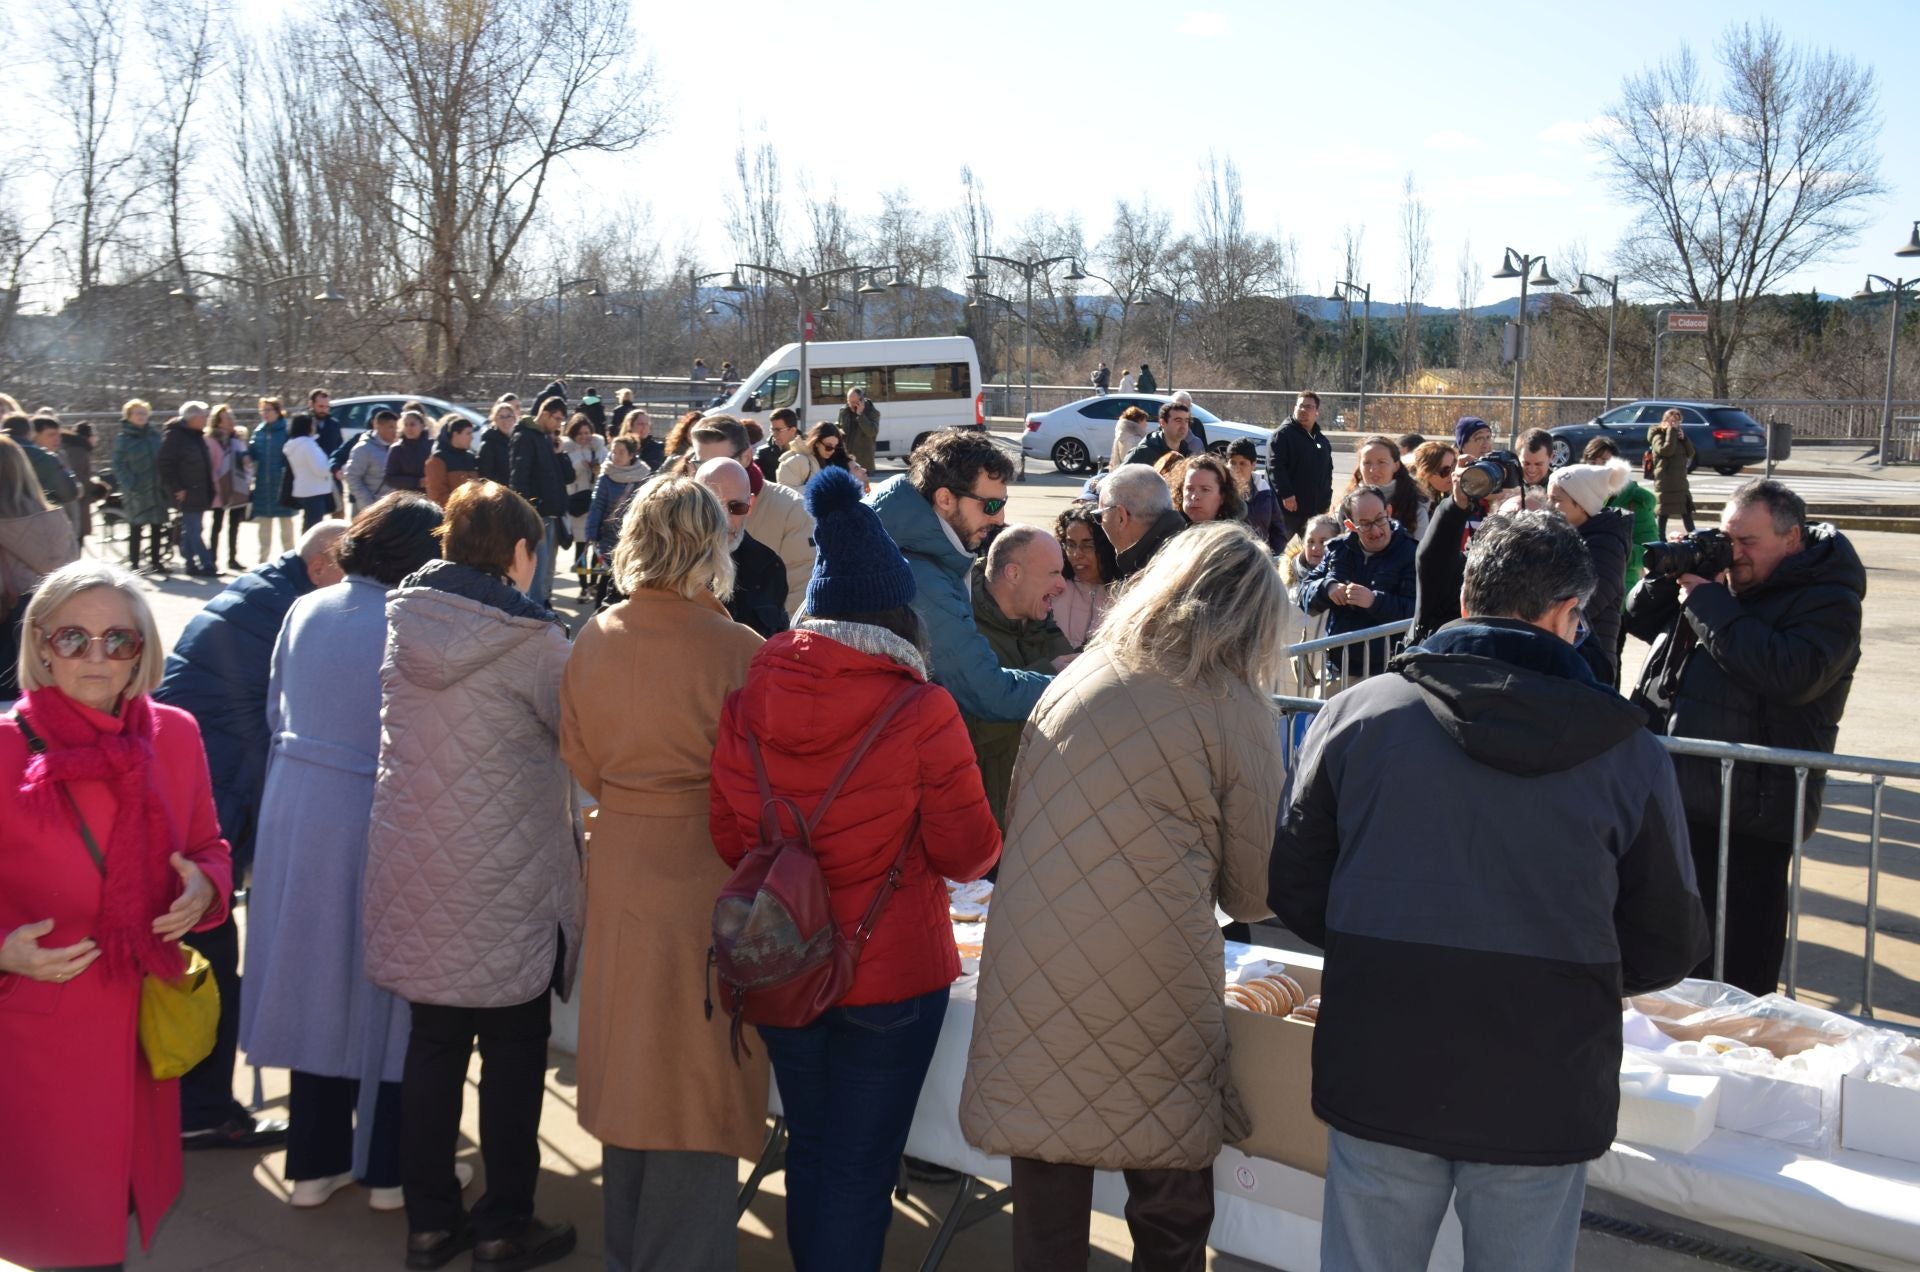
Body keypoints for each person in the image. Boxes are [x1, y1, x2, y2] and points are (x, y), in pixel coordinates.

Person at [1270, 511, 1710, 1272]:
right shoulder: (1628, 752)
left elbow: (1300, 889)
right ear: (1568, 617)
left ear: (1467, 601)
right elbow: (1665, 937)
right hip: (1542, 1068)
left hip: (1385, 1054)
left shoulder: (1359, 716)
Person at [962, 523, 1288, 1272]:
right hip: (1155, 977)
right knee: (1170, 1203)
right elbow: (1254, 887)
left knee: (1046, 1198)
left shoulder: (1083, 674)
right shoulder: (1231, 705)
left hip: (1032, 967)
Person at [708, 466, 1001, 1272]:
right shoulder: (919, 706)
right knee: (862, 1165)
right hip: (891, 975)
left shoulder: (752, 689)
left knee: (811, 1146)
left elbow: (733, 837)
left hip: (781, 954)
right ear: (900, 614)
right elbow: (971, 851)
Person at [363, 481, 579, 1270]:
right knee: (515, 1055)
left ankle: (429, 1222)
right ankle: (501, 1223)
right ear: (521, 554)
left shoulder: (404, 622)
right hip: (506, 875)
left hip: (415, 864)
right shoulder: (538, 642)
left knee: (432, 1047)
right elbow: (580, 739)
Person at [0, 561, 233, 1270]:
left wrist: (204, 891)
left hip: (142, 1034)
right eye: (73, 638)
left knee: (115, 1212)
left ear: (143, 650)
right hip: (40, 1039)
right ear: (40, 646)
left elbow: (209, 848)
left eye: (117, 640)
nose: (95, 657)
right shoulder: (5, 747)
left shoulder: (176, 733)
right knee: (67, 1239)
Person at [559, 476, 765, 1272]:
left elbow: (578, 754)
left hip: (618, 863)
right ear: (711, 545)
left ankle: (631, 1252)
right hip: (704, 870)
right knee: (693, 1085)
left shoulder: (596, 635)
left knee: (633, 1075)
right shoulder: (735, 647)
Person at [240, 496, 443, 1215]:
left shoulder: (307, 607)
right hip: (375, 811)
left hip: (298, 811)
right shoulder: (413, 623)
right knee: (387, 995)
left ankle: (313, 1162)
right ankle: (387, 1170)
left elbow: (276, 711)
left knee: (310, 982)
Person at [1626, 480, 1865, 996]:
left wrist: (1707, 597)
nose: (1734, 553)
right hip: (1676, 797)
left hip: (1752, 811)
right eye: (1729, 538)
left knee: (1735, 979)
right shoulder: (1723, 581)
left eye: (1748, 542)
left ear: (1793, 538)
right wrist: (1669, 577)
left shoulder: (1830, 600)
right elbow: (1638, 619)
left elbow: (1789, 674)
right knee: (1664, 961)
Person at [156, 519, 346, 1152]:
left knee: (194, 953)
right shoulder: (299, 613)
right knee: (208, 957)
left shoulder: (267, 592)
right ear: (322, 565)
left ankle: (181, 1100)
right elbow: (283, 736)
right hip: (205, 803)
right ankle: (201, 1108)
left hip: (193, 789)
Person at [871, 429, 1052, 724]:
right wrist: (1071, 682)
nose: (1000, 518)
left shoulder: (894, 539)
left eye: (1003, 503)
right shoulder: (920, 577)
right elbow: (988, 694)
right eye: (991, 505)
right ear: (945, 499)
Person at [961, 524, 1071, 829]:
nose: (1062, 585)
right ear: (1013, 573)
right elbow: (968, 723)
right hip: (985, 827)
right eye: (1053, 573)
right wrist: (1052, 673)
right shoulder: (962, 632)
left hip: (1041, 820)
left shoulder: (1039, 621)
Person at [690, 416, 817, 615]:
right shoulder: (680, 510)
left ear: (747, 457)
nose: (711, 474)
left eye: (722, 462)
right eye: (701, 464)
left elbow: (800, 597)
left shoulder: (791, 509)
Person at [1299, 486, 1418, 677]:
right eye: (1365, 524)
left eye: (1380, 519)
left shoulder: (1411, 553)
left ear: (1389, 512)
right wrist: (1327, 587)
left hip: (1387, 673)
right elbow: (1304, 591)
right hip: (1338, 669)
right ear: (1351, 525)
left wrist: (1374, 601)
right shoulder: (1338, 549)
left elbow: (1416, 611)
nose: (1376, 530)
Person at [1547, 460, 1634, 686]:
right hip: (1571, 656)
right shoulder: (1570, 538)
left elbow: (1587, 601)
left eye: (1556, 501)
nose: (1549, 507)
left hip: (1590, 665)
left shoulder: (1606, 545)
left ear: (1582, 505)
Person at [696, 457, 788, 638]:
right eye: (714, 507)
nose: (724, 520)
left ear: (750, 505)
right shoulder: (671, 560)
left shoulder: (769, 566)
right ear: (694, 504)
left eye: (736, 507)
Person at [510, 397, 570, 606]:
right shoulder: (524, 437)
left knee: (546, 570)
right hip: (536, 514)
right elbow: (519, 479)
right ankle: (533, 611)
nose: (558, 425)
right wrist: (529, 512)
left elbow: (563, 476)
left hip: (552, 513)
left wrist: (559, 453)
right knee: (536, 568)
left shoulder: (545, 438)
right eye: (557, 419)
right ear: (545, 414)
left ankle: (541, 606)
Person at [1582, 436, 1657, 589]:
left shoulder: (1635, 500)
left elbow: (1650, 551)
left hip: (1620, 584)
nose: (1597, 468)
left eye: (1604, 461)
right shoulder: (1575, 496)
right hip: (1582, 585)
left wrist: (1613, 551)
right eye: (1592, 461)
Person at [158, 400, 220, 576]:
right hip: (187, 491)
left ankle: (191, 563)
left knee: (192, 528)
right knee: (194, 529)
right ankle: (206, 564)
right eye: (203, 415)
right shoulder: (176, 436)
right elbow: (165, 463)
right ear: (192, 417)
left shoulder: (196, 435)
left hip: (198, 490)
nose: (206, 418)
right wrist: (177, 487)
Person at [1097, 463, 1186, 580]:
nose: (1100, 523)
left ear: (1121, 518)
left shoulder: (1154, 576)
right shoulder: (1190, 546)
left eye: (1099, 515)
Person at [1280, 515, 1342, 677]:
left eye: (1323, 542)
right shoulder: (1285, 578)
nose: (1316, 548)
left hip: (1322, 673)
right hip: (1284, 670)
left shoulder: (1342, 582)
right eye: (1310, 541)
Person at [1268, 390, 1334, 542]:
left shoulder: (1321, 440)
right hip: (1288, 510)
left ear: (1317, 412)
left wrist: (1326, 499)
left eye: (1309, 407)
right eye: (1301, 406)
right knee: (1275, 550)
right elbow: (1275, 466)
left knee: (1314, 553)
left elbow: (1327, 471)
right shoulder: (1283, 435)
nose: (1303, 410)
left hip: (1314, 510)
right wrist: (1286, 494)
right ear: (1294, 408)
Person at [585, 435, 651, 578]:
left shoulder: (643, 476)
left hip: (632, 535)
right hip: (608, 534)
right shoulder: (606, 475)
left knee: (626, 576)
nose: (616, 456)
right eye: (614, 452)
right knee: (606, 575)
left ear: (631, 455)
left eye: (621, 452)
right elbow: (597, 505)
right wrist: (592, 533)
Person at [1052, 503, 1117, 649]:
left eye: (1088, 546)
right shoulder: (1052, 590)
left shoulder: (1125, 594)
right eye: (1070, 544)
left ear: (1106, 547)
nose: (1076, 554)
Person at [249, 397, 301, 560]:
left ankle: (289, 559)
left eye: (268, 410)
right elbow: (254, 452)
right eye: (262, 410)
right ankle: (262, 560)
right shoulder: (259, 431)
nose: (265, 414)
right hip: (263, 486)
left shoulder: (287, 430)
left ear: (278, 412)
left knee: (286, 528)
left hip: (282, 485)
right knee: (263, 528)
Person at [206, 406, 253, 572]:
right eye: (226, 418)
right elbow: (210, 465)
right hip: (219, 487)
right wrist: (215, 485)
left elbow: (246, 460)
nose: (231, 421)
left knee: (235, 525)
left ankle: (232, 558)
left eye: (232, 417)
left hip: (237, 486)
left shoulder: (238, 440)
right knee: (217, 524)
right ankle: (212, 559)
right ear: (218, 421)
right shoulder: (211, 440)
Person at [1343, 433, 1422, 532]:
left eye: (1381, 462)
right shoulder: (1345, 505)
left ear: (1396, 466)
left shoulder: (1415, 504)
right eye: (1367, 463)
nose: (1373, 469)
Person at [563, 415, 608, 578]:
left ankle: (593, 583)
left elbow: (609, 471)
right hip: (578, 502)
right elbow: (565, 478)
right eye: (580, 433)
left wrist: (598, 470)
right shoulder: (566, 451)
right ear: (573, 434)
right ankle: (583, 585)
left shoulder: (600, 449)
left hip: (597, 503)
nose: (584, 437)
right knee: (580, 547)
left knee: (597, 547)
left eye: (587, 432)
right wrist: (578, 467)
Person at [8, 412, 80, 512]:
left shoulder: (60, 456)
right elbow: (69, 493)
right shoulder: (45, 459)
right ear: (33, 435)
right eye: (51, 435)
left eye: (59, 435)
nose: (57, 439)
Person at [1647, 408, 1697, 537]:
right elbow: (1666, 451)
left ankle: (1694, 536)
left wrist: (1684, 439)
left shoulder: (1677, 434)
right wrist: (1671, 432)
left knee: (1686, 512)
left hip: (1680, 481)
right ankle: (1660, 540)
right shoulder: (1657, 434)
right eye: (1672, 420)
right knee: (1663, 513)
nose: (1675, 423)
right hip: (1666, 481)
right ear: (1665, 421)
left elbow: (1691, 453)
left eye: (1678, 420)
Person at [283, 412, 337, 531]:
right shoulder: (308, 445)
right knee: (313, 528)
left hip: (303, 489)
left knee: (308, 525)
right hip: (314, 490)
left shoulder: (294, 444)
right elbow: (320, 469)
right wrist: (332, 468)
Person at [1227, 437, 1282, 551]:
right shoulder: (1220, 491)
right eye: (1233, 462)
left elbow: (1277, 528)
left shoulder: (1265, 491)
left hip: (1261, 555)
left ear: (1253, 465)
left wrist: (1277, 555)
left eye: (1243, 463)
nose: (1236, 468)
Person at [342, 409, 398, 518]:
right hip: (369, 510)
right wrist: (367, 503)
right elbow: (352, 477)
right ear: (378, 426)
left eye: (396, 427)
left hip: (390, 507)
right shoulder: (363, 448)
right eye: (391, 427)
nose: (395, 431)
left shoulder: (396, 447)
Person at [1122, 399, 1203, 468]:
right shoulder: (1143, 453)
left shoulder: (1187, 453)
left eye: (1186, 421)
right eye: (1178, 420)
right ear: (1162, 423)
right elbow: (1119, 481)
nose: (1184, 426)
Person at [425, 414, 481, 506]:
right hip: (451, 515)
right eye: (468, 433)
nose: (472, 437)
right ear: (455, 434)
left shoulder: (470, 457)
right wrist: (463, 505)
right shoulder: (438, 459)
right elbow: (437, 496)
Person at [1408, 440, 1459, 535]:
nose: (1453, 474)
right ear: (1424, 474)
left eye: (1454, 466)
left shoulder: (1445, 493)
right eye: (1446, 470)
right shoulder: (1411, 504)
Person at [1179, 452, 1245, 525]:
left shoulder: (1234, 535)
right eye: (1189, 489)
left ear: (1222, 496)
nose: (1194, 497)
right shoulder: (1169, 528)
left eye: (1205, 489)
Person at [62, 420, 98, 543]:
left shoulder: (75, 449)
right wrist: (95, 488)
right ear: (89, 437)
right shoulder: (79, 451)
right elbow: (78, 477)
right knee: (77, 540)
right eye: (95, 435)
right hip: (77, 503)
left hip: (77, 501)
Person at [384, 408, 432, 495]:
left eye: (412, 424)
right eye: (406, 425)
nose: (409, 428)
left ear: (422, 426)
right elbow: (389, 479)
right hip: (406, 497)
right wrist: (417, 482)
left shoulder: (432, 446)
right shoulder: (397, 449)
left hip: (430, 495)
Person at [294, 387, 345, 460]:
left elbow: (340, 449)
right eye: (320, 406)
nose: (324, 410)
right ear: (311, 404)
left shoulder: (334, 425)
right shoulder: (301, 424)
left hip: (328, 468)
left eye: (327, 407)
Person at [839, 387, 882, 472]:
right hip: (847, 462)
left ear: (861, 401)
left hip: (864, 464)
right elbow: (840, 427)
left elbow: (872, 432)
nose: (850, 405)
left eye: (854, 402)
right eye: (849, 401)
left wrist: (860, 416)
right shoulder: (844, 411)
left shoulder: (872, 412)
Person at [477, 399, 517, 486]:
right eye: (501, 417)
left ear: (514, 419)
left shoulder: (519, 442)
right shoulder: (488, 444)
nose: (505, 420)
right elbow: (485, 477)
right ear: (495, 420)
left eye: (509, 416)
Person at [756, 407, 799, 483]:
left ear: (792, 430)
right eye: (772, 430)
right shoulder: (763, 454)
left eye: (778, 430)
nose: (774, 434)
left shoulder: (806, 451)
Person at [1109, 404, 1151, 472]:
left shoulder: (1122, 435)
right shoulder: (1136, 439)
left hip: (1121, 472)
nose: (1146, 424)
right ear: (1138, 421)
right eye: (1144, 421)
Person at [1518, 427, 1554, 499]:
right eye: (1526, 463)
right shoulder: (1509, 484)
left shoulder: (1560, 490)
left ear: (1551, 458)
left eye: (1538, 464)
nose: (1532, 470)